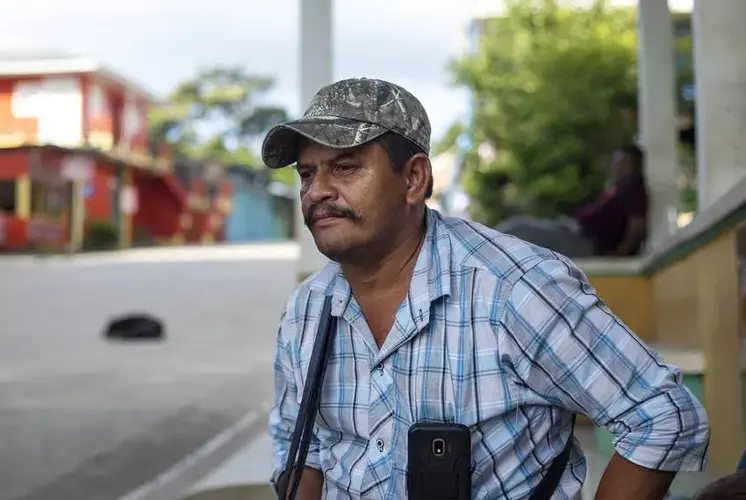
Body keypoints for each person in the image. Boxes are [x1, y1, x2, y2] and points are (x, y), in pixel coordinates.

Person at [264, 77, 709, 499]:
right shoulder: (308, 310)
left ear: (413, 179)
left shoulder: (515, 289)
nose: (317, 190)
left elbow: (662, 416)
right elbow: (300, 447)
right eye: (306, 174)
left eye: (344, 167)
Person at [496, 145, 649, 258]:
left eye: (622, 162)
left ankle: (477, 241)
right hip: (573, 234)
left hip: (582, 242)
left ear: (635, 164)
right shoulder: (617, 189)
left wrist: (621, 254)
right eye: (616, 162)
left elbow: (638, 224)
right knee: (518, 229)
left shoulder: (632, 185)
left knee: (518, 229)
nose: (616, 167)